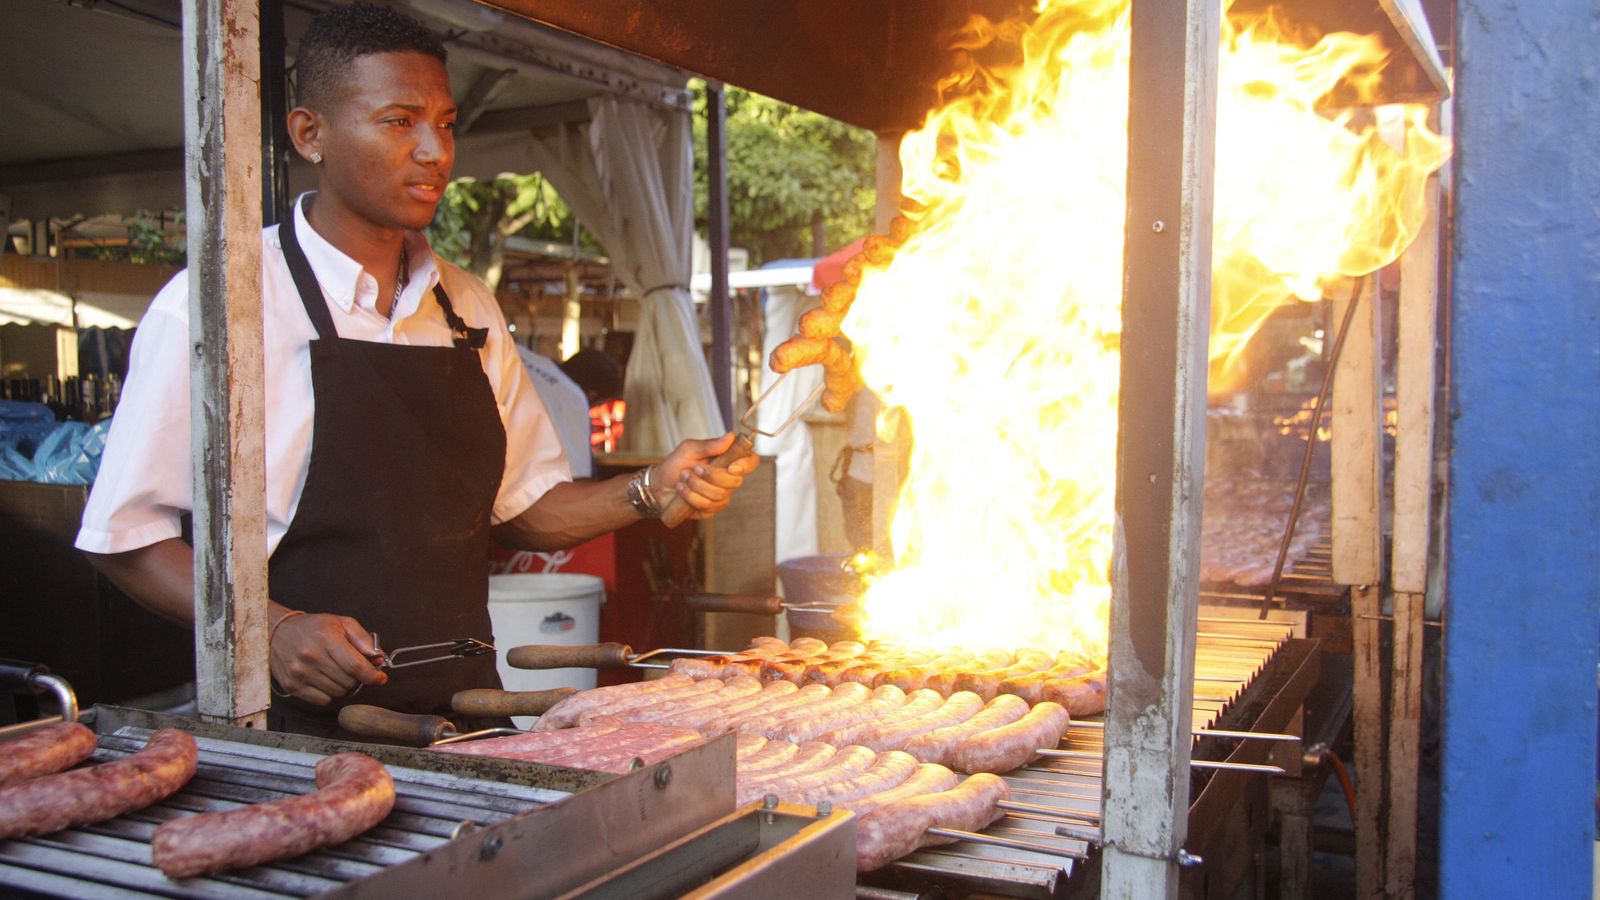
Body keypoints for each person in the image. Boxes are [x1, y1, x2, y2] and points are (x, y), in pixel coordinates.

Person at [74, 3, 757, 738]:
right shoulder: (221, 302)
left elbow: (525, 507)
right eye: (399, 121)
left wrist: (655, 486)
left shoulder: (468, 306)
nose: (435, 150)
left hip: (464, 717)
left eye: (447, 122)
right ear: (311, 134)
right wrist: (271, 629)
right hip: (295, 733)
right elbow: (127, 538)